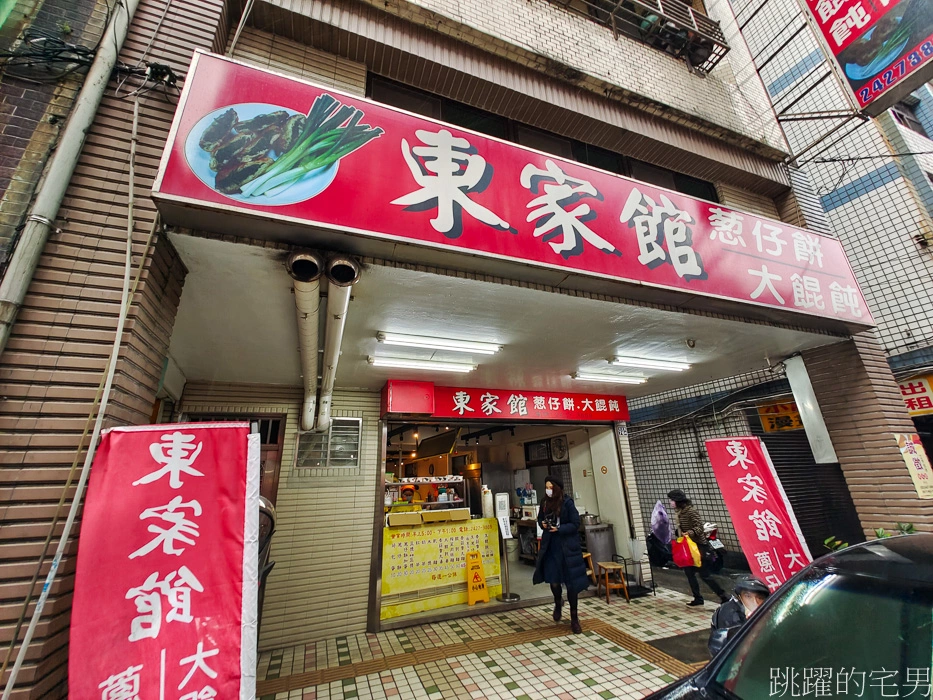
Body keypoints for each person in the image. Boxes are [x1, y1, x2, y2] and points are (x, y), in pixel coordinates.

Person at [533, 475, 590, 634]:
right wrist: (542, 524)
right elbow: (539, 519)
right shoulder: (544, 503)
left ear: (557, 488)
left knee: (571, 585)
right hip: (551, 547)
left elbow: (575, 523)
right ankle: (558, 601)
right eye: (546, 487)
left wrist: (560, 529)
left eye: (551, 487)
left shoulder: (567, 503)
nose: (548, 490)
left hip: (567, 549)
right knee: (554, 580)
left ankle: (574, 618)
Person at [668, 489, 728, 607]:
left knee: (704, 574)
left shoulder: (691, 511)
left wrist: (689, 533)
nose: (670, 502)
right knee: (689, 573)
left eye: (672, 500)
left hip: (698, 547)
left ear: (677, 501)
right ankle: (698, 598)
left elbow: (699, 527)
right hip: (688, 548)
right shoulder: (680, 512)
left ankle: (723, 596)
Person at [708, 576, 770, 656]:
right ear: (739, 597)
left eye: (760, 597)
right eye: (748, 596)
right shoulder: (728, 614)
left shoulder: (769, 609)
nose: (755, 602)